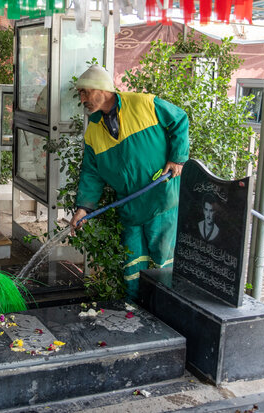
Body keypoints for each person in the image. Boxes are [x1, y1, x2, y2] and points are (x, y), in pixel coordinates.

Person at [69, 65, 189, 299]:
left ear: (102, 89)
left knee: (162, 260)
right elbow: (91, 173)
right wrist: (83, 208)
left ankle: (165, 310)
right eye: (80, 94)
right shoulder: (93, 130)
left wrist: (177, 159)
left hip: (160, 199)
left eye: (85, 92)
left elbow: (179, 120)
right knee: (133, 265)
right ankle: (136, 310)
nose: (82, 99)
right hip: (130, 206)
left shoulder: (144, 104)